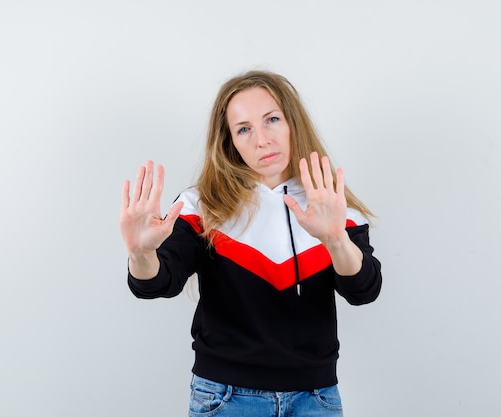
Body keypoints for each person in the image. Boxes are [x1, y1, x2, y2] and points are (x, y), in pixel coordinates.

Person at [119, 70, 382, 417]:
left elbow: (363, 290)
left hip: (314, 397)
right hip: (225, 398)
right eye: (244, 129)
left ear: (293, 123)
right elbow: (157, 283)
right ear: (230, 141)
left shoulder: (331, 205)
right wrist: (141, 253)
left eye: (272, 119)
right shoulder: (202, 206)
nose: (262, 140)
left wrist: (335, 240)